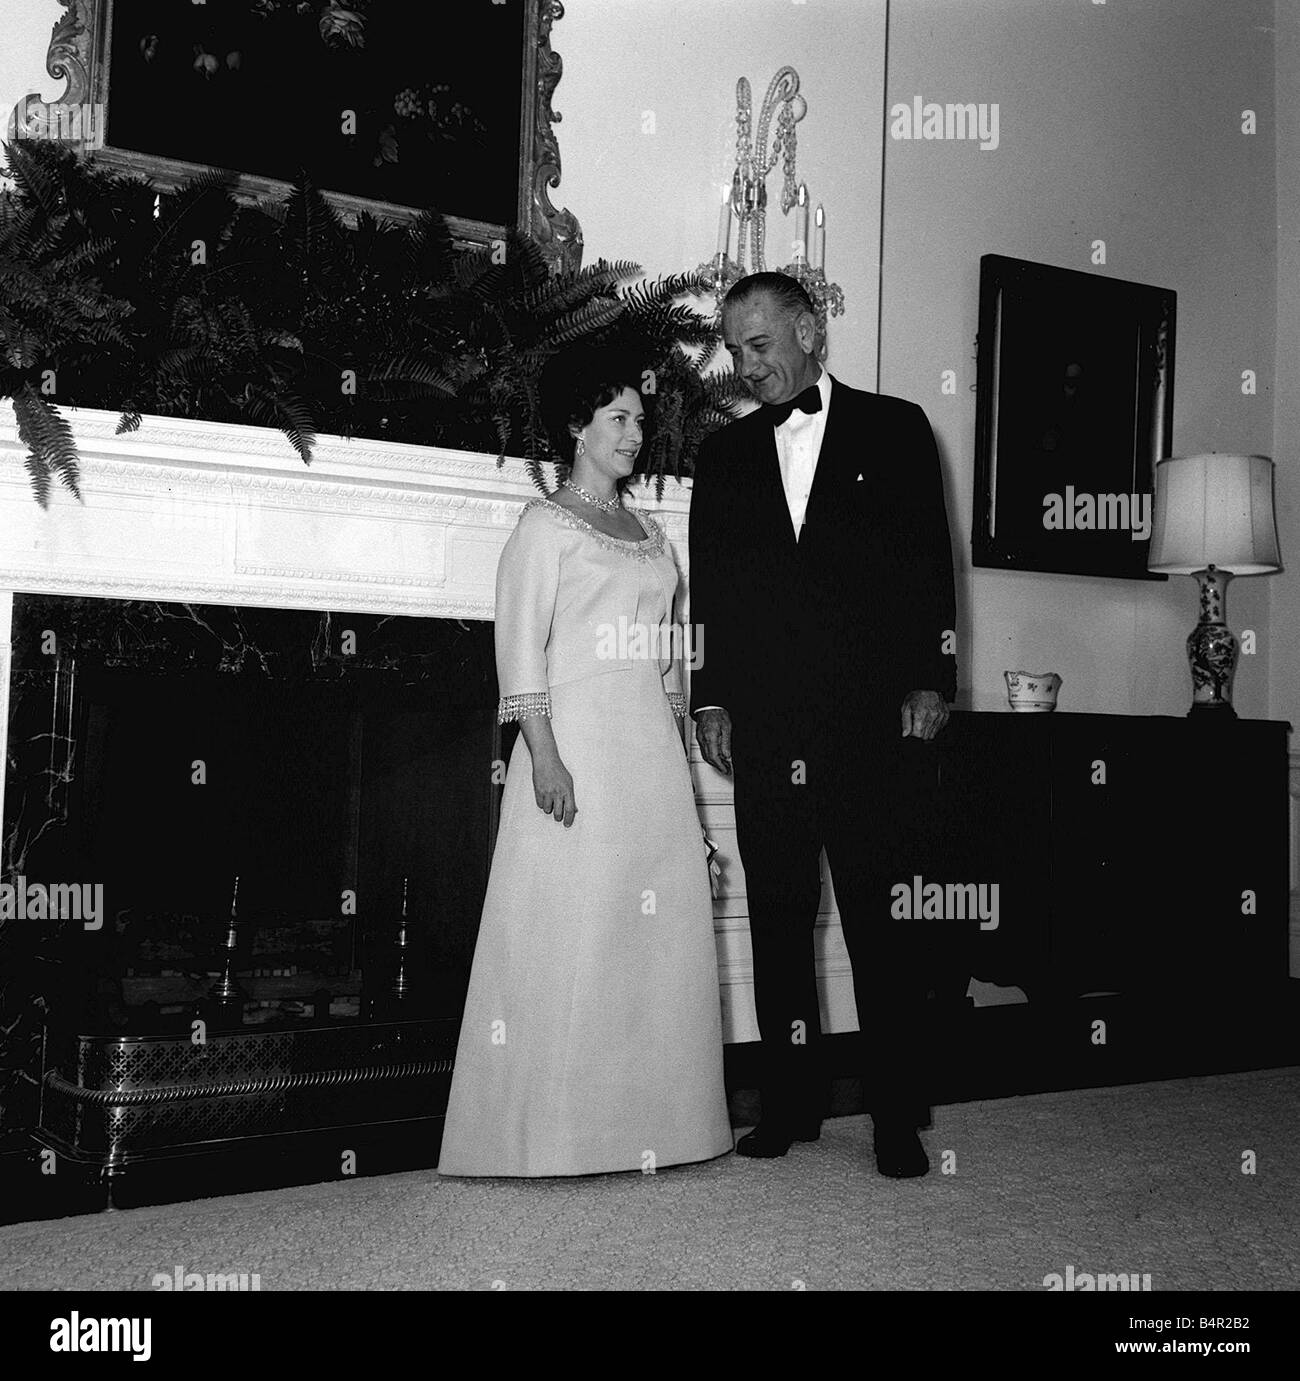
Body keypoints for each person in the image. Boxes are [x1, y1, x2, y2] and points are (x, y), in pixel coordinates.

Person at [438, 348, 733, 1177]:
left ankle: (661, 1126)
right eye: (618, 418)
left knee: (646, 935)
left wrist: (685, 779)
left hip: (647, 747)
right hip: (574, 745)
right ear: (576, 426)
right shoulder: (543, 527)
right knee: (576, 929)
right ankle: (548, 1138)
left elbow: (672, 667)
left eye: (640, 419)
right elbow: (517, 650)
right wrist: (544, 758)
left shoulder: (650, 536)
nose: (635, 433)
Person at [688, 273, 958, 1178]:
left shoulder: (899, 427)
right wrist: (710, 694)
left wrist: (933, 675)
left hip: (871, 720)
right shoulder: (722, 457)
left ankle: (892, 1117)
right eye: (734, 349)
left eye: (759, 345)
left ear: (808, 332)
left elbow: (929, 563)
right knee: (777, 915)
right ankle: (790, 1101)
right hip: (766, 724)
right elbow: (715, 591)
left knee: (882, 922)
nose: (746, 366)